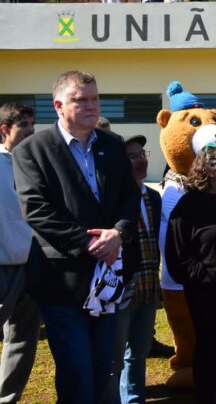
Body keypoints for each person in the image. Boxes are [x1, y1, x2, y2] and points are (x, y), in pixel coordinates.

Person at [12, 70, 139, 404]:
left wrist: (119, 233)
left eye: (95, 98)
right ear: (58, 105)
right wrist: (90, 243)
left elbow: (130, 196)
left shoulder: (111, 145)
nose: (91, 106)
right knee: (76, 372)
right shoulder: (32, 151)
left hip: (110, 278)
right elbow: (37, 210)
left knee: (105, 371)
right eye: (80, 99)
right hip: (62, 282)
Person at [165, 142, 216, 404]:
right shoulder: (188, 206)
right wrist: (205, 277)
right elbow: (177, 257)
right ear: (209, 169)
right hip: (205, 295)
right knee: (208, 348)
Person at [109, 135, 161, 404]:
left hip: (149, 285)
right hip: (122, 286)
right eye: (133, 156)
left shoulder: (153, 196)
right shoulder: (112, 197)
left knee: (139, 350)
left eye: (143, 153)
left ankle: (134, 399)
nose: (141, 159)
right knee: (115, 353)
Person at [0, 103, 40, 403]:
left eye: (32, 123)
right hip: (2, 266)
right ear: (5, 129)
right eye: (23, 124)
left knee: (23, 340)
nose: (31, 129)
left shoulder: (35, 163)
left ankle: (7, 398)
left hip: (33, 267)